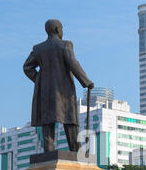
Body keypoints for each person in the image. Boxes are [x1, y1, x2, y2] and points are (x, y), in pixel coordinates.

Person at [23, 19, 94, 152]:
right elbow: (73, 64)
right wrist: (86, 81)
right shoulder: (65, 45)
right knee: (70, 121)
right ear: (57, 29)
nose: (62, 31)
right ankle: (76, 152)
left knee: (47, 124)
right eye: (61, 29)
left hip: (45, 93)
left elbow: (27, 67)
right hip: (64, 92)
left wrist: (39, 80)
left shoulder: (39, 49)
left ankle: (48, 154)